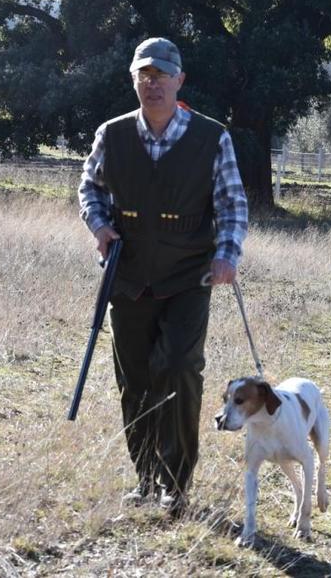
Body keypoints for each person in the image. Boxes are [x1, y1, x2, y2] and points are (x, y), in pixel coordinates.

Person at [78, 37, 248, 517]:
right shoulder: (111, 134)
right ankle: (146, 479)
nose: (153, 85)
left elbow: (233, 204)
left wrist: (226, 256)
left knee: (177, 367)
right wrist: (99, 225)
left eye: (162, 76)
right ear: (134, 80)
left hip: (188, 279)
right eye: (144, 76)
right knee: (134, 381)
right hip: (127, 278)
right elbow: (89, 187)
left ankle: (177, 484)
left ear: (180, 81)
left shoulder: (212, 137)